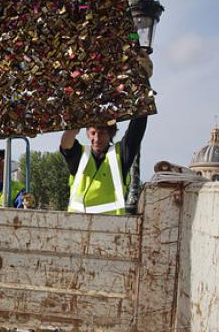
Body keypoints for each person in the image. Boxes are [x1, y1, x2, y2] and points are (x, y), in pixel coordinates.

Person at [60, 53, 152, 215]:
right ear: (88, 134)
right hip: (75, 226)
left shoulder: (120, 155)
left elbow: (137, 127)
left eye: (102, 133)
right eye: (93, 133)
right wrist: (75, 118)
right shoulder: (80, 155)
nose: (97, 138)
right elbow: (66, 143)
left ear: (111, 134)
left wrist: (142, 82)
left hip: (111, 229)